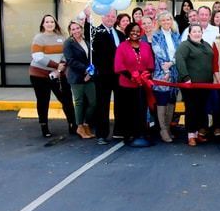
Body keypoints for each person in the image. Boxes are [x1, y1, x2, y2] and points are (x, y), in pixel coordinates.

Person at [29, 15, 76, 138]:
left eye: (52, 22)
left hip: (58, 74)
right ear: (43, 24)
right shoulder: (39, 38)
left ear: (55, 23)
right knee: (43, 101)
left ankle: (72, 124)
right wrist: (56, 66)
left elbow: (66, 54)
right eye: (47, 22)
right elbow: (37, 57)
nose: (49, 24)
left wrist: (60, 67)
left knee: (66, 99)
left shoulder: (62, 37)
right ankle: (44, 127)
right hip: (39, 75)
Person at [113, 22, 155, 146]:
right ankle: (129, 135)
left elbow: (151, 64)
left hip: (142, 84)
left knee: (142, 109)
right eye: (132, 30)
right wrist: (132, 77)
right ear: (128, 32)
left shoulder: (146, 46)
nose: (135, 33)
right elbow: (119, 66)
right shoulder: (122, 46)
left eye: (137, 31)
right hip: (126, 84)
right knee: (128, 111)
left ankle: (141, 133)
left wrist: (144, 75)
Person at [175, 24, 214, 146]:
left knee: (201, 109)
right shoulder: (185, 45)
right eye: (194, 31)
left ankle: (198, 134)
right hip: (190, 85)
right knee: (192, 109)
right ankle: (191, 135)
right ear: (189, 34)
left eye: (199, 31)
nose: (197, 33)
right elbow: (179, 59)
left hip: (205, 84)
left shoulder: (206, 45)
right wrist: (186, 77)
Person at [91, 9, 126, 143]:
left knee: (120, 104)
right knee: (102, 106)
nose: (110, 18)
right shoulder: (96, 32)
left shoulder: (120, 34)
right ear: (102, 17)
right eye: (108, 16)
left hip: (119, 75)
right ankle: (102, 134)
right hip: (103, 76)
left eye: (113, 16)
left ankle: (119, 131)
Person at [151, 11, 181, 143]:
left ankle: (168, 128)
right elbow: (159, 53)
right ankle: (163, 129)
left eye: (168, 19)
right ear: (159, 22)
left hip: (174, 72)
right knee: (162, 101)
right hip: (161, 73)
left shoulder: (176, 35)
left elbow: (179, 52)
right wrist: (166, 67)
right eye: (163, 20)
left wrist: (172, 63)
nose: (166, 22)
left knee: (171, 101)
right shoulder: (156, 36)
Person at [63, 21, 96, 139]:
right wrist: (85, 70)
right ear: (70, 31)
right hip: (76, 77)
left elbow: (90, 59)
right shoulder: (68, 43)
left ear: (81, 29)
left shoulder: (86, 41)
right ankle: (80, 127)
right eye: (73, 29)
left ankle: (86, 124)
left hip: (89, 77)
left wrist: (90, 72)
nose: (76, 31)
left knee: (93, 102)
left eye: (78, 28)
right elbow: (70, 61)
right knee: (79, 102)